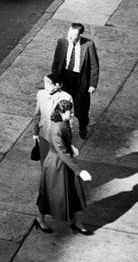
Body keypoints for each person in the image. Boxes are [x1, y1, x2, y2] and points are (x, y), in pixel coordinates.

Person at [35, 99, 94, 235]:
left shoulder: (64, 122)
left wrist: (71, 148)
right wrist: (79, 171)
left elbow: (65, 144)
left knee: (75, 192)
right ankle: (40, 219)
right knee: (47, 195)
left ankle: (77, 222)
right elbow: (62, 153)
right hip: (56, 165)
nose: (71, 114)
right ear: (61, 112)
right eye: (70, 112)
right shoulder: (56, 129)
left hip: (62, 163)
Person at [51, 22, 100, 139]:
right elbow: (56, 61)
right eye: (69, 34)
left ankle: (83, 126)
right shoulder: (62, 42)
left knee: (81, 109)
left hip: (81, 80)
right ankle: (63, 130)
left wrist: (93, 84)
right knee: (62, 107)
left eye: (72, 36)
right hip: (65, 79)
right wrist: (55, 79)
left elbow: (94, 65)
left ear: (79, 35)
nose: (69, 37)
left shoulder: (88, 45)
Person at [32, 72, 73, 160]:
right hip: (44, 133)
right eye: (46, 84)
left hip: (58, 135)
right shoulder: (41, 94)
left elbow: (68, 120)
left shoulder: (66, 97)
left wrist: (68, 139)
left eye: (50, 84)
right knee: (44, 157)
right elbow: (37, 114)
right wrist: (35, 133)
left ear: (58, 85)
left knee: (58, 159)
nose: (47, 86)